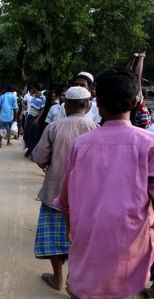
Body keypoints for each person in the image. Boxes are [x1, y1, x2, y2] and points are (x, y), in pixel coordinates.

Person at [54, 69, 154, 299]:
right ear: (135, 101)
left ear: (97, 102)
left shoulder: (81, 145)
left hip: (87, 250)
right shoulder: (148, 145)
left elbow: (66, 199)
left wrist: (71, 229)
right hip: (131, 256)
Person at [32, 86, 98, 291]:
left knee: (53, 237)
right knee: (80, 241)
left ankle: (57, 279)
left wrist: (48, 166)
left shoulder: (54, 127)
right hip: (86, 199)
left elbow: (39, 157)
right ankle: (72, 280)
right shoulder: (96, 128)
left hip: (54, 193)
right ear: (87, 106)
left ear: (66, 105)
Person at [23, 83, 45, 157]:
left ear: (35, 88)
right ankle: (29, 149)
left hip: (35, 118)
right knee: (27, 134)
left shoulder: (43, 97)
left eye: (33, 88)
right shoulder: (34, 97)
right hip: (30, 117)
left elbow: (42, 110)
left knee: (34, 136)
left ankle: (33, 152)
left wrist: (37, 119)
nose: (32, 90)